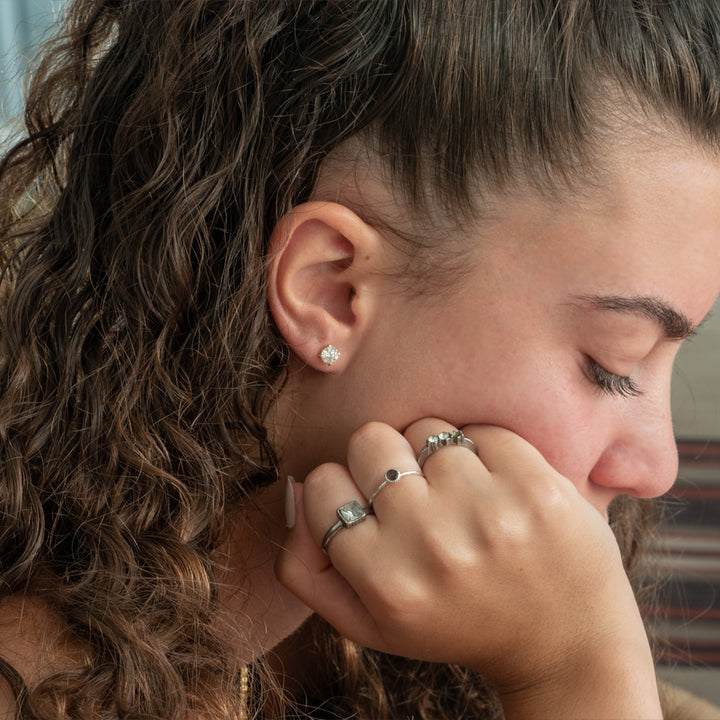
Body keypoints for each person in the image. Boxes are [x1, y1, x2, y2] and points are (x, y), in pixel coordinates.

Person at [1, 0, 720, 717]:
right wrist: (574, 672)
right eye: (612, 363)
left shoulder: (418, 660)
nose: (656, 469)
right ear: (330, 291)